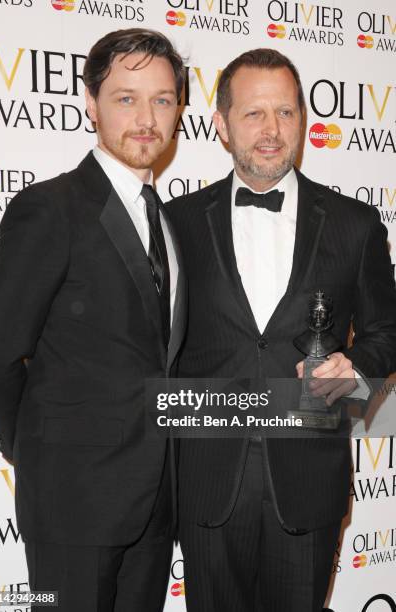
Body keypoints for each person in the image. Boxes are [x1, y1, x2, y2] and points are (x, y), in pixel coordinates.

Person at [167, 48, 396, 612]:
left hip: (308, 481)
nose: (272, 131)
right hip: (206, 483)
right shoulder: (173, 224)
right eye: (253, 114)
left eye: (287, 113)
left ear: (303, 121)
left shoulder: (355, 223)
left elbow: (386, 329)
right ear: (220, 124)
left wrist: (357, 366)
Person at [0, 28, 186, 612]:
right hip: (72, 501)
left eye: (162, 99)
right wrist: (33, 448)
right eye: (126, 97)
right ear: (90, 102)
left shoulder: (170, 223)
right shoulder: (49, 209)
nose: (146, 117)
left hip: (155, 504)